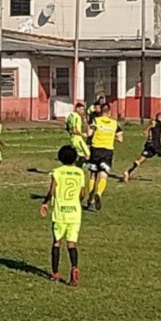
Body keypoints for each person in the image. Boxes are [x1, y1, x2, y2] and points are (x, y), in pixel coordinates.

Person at [40, 145, 87, 286]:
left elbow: (52, 190)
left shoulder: (57, 172)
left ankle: (55, 273)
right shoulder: (80, 173)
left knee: (57, 242)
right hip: (75, 212)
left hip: (60, 212)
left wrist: (45, 203)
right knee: (72, 243)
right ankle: (74, 268)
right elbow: (82, 193)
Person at [122, 112, 161, 183]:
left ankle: (128, 172)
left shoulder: (155, 124)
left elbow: (156, 136)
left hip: (149, 145)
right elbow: (146, 131)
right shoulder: (157, 123)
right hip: (156, 146)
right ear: (160, 118)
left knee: (141, 159)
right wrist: (149, 127)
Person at [84, 103, 123, 211]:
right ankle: (99, 193)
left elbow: (89, 133)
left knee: (93, 176)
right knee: (103, 175)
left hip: (95, 149)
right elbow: (120, 139)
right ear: (109, 112)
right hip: (107, 151)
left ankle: (90, 200)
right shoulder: (115, 123)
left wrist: (90, 128)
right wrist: (111, 136)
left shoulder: (96, 121)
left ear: (101, 111)